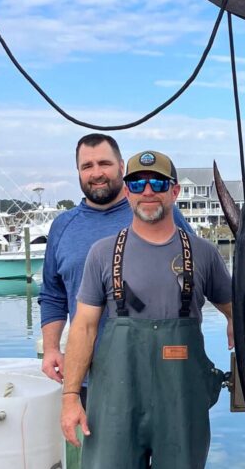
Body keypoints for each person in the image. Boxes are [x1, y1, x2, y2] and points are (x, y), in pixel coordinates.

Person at [61, 149, 234, 469]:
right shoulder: (103, 254)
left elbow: (237, 313)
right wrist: (70, 395)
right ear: (127, 191)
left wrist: (242, 337)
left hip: (181, 406)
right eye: (137, 183)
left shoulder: (204, 254)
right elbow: (83, 328)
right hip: (116, 405)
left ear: (174, 191)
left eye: (158, 183)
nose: (148, 192)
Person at [38, 133, 193, 385]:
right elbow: (53, 295)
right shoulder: (63, 226)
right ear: (78, 171)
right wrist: (52, 348)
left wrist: (233, 317)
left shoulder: (159, 210)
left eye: (104, 164)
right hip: (92, 377)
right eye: (87, 166)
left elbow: (198, 272)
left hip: (164, 375)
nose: (96, 173)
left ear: (121, 167)